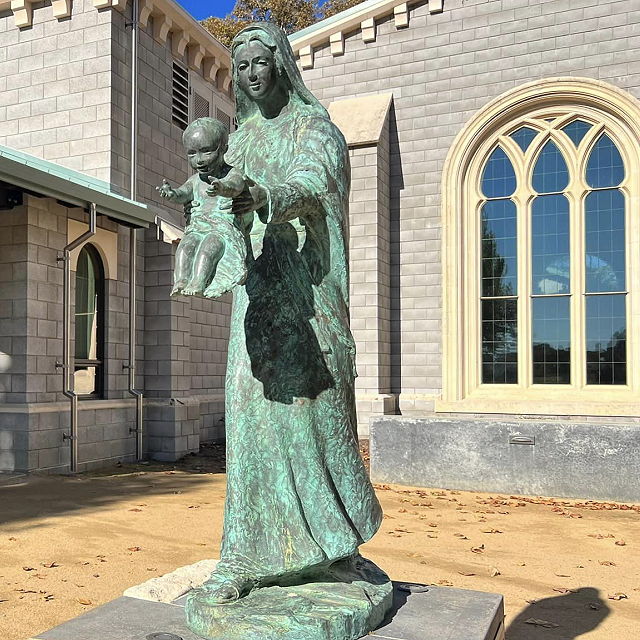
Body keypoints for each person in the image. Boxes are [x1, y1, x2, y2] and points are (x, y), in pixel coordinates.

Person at [191, 23, 384, 605]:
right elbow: (216, 197)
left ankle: (335, 547)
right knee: (249, 423)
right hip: (256, 303)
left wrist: (263, 195)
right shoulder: (239, 139)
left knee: (315, 421)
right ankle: (244, 556)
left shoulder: (315, 130)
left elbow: (315, 185)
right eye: (241, 65)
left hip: (307, 303)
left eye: (260, 62)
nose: (251, 74)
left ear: (280, 65)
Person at [157, 117, 248, 298]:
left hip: (222, 229)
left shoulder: (232, 173)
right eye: (192, 154)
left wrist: (223, 188)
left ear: (223, 149)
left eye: (206, 152)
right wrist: (172, 194)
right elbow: (183, 193)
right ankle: (181, 280)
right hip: (198, 227)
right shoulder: (194, 180)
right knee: (185, 247)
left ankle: (199, 281)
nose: (199, 160)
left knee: (208, 249)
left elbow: (236, 186)